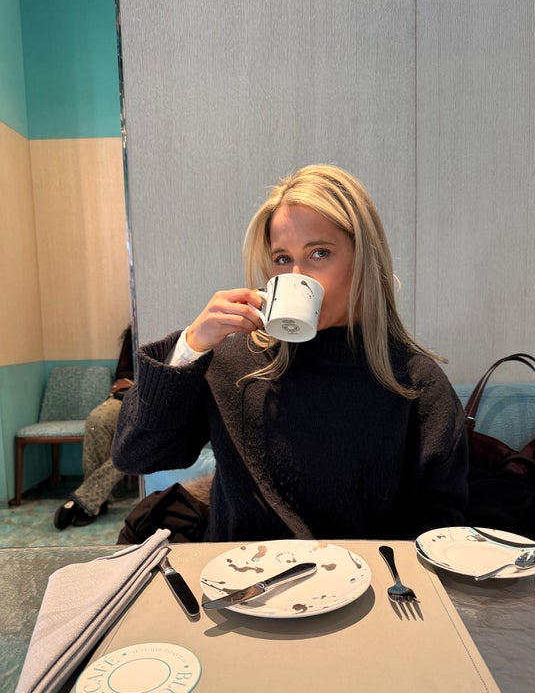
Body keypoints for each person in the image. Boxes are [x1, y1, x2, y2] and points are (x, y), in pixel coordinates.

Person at [112, 165, 468, 541]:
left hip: (366, 577)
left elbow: (441, 522)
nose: (297, 275)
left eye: (319, 253)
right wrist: (191, 345)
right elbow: (135, 454)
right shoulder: (235, 363)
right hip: (242, 575)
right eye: (282, 259)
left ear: (364, 260)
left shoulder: (415, 382)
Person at [54, 326, 134, 529]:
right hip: (129, 395)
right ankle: (99, 500)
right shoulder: (135, 330)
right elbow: (122, 372)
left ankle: (86, 500)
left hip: (158, 403)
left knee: (137, 435)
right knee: (96, 421)